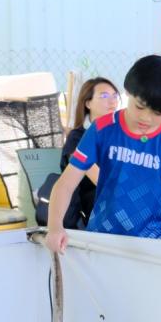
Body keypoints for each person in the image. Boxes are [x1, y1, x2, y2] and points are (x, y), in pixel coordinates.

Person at [45, 56, 161, 253]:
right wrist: (54, 227)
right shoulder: (103, 129)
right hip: (102, 241)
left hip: (154, 246)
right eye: (139, 106)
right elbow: (65, 184)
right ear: (128, 92)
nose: (146, 118)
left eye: (158, 113)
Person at [58, 76, 120, 229]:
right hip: (94, 204)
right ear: (88, 103)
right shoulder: (77, 137)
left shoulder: (119, 134)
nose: (112, 101)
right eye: (104, 96)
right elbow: (99, 180)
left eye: (115, 96)